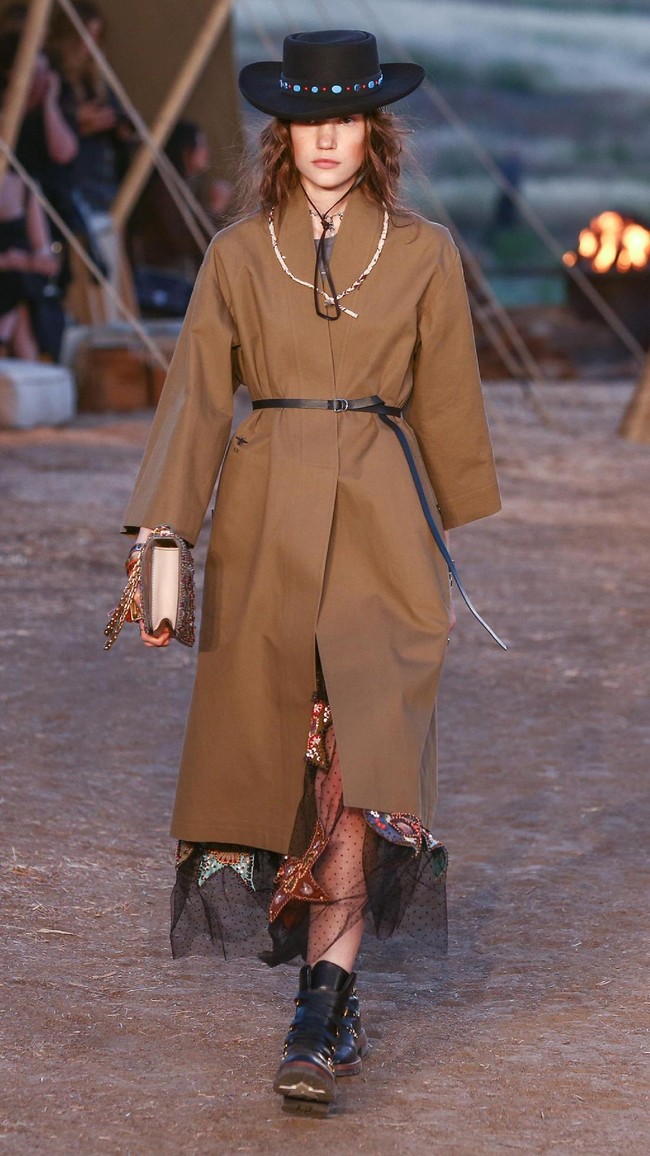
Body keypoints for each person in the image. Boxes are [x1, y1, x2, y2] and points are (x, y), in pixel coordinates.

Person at [118, 30, 502, 1116]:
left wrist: (445, 548)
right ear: (281, 133)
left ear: (371, 130)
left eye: (346, 118)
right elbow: (193, 402)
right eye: (306, 118)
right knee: (282, 765)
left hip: (381, 529)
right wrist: (159, 559)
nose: (327, 137)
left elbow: (449, 419)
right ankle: (327, 992)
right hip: (263, 530)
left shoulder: (421, 254)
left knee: (362, 766)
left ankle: (321, 1004)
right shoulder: (238, 256)